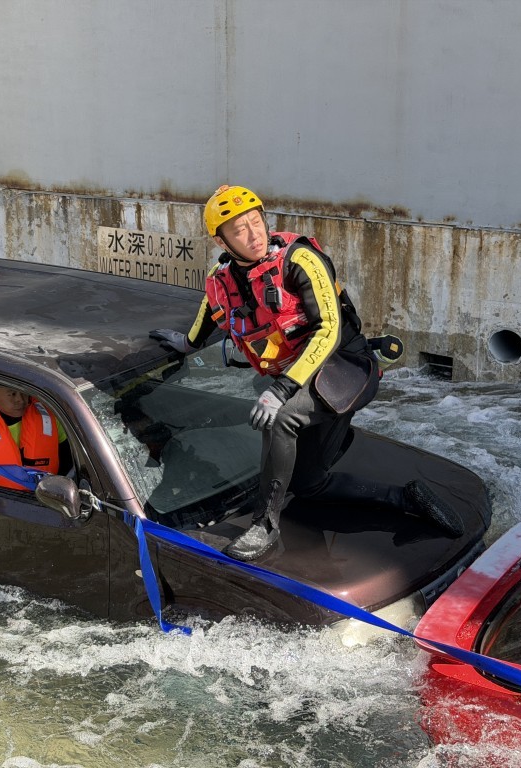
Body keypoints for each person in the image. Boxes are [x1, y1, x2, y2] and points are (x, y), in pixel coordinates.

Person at [150, 184, 463, 561]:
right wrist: (187, 344)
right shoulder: (224, 274)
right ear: (221, 240)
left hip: (346, 368)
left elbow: (328, 329)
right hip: (305, 376)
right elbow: (213, 308)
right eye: (239, 230)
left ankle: (265, 524)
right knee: (310, 484)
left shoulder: (299, 260)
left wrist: (281, 390)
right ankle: (405, 498)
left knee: (280, 418)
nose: (254, 235)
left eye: (256, 222)